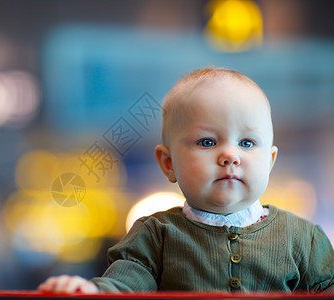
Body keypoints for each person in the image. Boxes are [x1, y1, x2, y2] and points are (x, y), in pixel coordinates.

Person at [37, 67, 334, 293]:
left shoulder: (304, 239)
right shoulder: (154, 235)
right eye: (207, 142)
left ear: (269, 162)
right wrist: (91, 291)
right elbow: (125, 285)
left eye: (246, 143)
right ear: (169, 164)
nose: (230, 155)